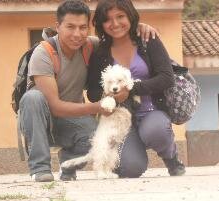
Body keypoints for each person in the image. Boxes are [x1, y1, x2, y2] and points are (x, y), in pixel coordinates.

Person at [19, 0, 158, 182]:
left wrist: (137, 27)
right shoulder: (44, 53)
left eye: (83, 27)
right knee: (33, 98)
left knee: (96, 137)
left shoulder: (90, 46)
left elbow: (117, 35)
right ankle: (40, 168)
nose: (77, 34)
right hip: (40, 119)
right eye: (70, 27)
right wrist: (98, 107)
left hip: (72, 120)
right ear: (58, 26)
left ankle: (68, 165)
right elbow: (55, 107)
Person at [87, 0, 186, 178]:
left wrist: (131, 90)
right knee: (131, 169)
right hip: (121, 121)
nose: (115, 24)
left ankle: (171, 157)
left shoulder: (148, 40)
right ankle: (127, 155)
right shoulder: (100, 53)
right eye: (108, 19)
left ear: (130, 16)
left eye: (120, 16)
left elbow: (166, 78)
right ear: (101, 24)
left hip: (152, 111)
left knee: (156, 131)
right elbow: (93, 92)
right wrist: (110, 93)